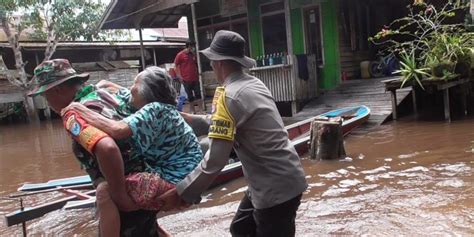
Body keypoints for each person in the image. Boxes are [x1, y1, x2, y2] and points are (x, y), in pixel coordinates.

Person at [160, 30, 308, 237]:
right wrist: (183, 118)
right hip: (282, 176)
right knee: (240, 228)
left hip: (274, 189)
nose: (210, 65)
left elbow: (215, 160)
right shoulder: (252, 84)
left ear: (219, 62)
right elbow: (218, 123)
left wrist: (181, 192)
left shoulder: (230, 96)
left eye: (211, 61)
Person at [27, 60, 197, 237]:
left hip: (126, 199)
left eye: (46, 96)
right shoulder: (111, 95)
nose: (47, 103)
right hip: (150, 184)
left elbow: (107, 148)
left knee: (106, 196)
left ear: (57, 90)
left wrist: (119, 196)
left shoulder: (75, 114)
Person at [174, 40, 203, 114]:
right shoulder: (180, 55)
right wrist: (179, 76)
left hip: (195, 78)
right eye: (192, 46)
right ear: (189, 46)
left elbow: (196, 64)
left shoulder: (192, 54)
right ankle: (192, 111)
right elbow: (176, 65)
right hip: (186, 79)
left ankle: (201, 110)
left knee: (198, 94)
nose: (193, 48)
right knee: (190, 96)